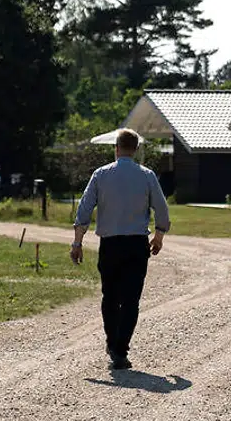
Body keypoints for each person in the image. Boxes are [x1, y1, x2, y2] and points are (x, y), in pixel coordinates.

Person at [71, 128, 171, 370]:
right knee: (131, 299)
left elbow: (84, 210)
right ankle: (120, 348)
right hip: (137, 244)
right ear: (135, 149)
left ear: (115, 148)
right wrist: (158, 236)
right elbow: (162, 208)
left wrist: (77, 242)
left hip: (111, 244)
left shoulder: (101, 174)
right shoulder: (147, 175)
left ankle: (112, 341)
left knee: (110, 296)